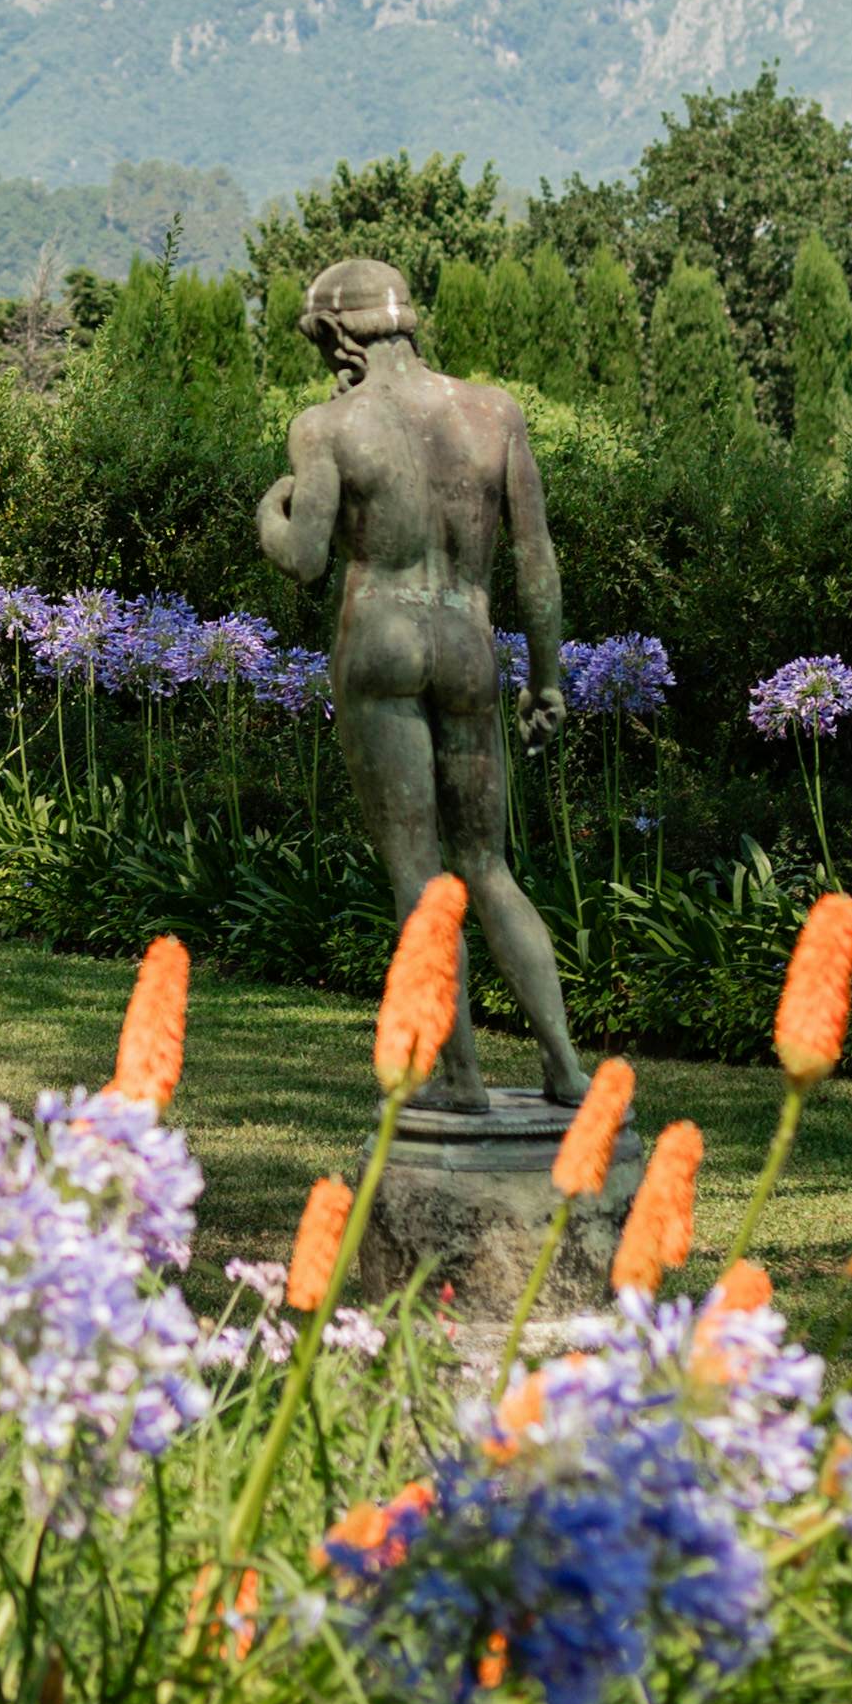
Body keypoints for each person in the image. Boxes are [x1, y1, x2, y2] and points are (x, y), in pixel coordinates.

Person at [254, 255, 590, 1128]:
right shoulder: (493, 413)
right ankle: (563, 1066)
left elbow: (306, 559)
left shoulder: (327, 426)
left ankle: (461, 1075)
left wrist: (271, 510)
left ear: (338, 337)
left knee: (419, 874)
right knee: (489, 867)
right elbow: (536, 559)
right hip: (470, 647)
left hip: (383, 644)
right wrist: (548, 678)